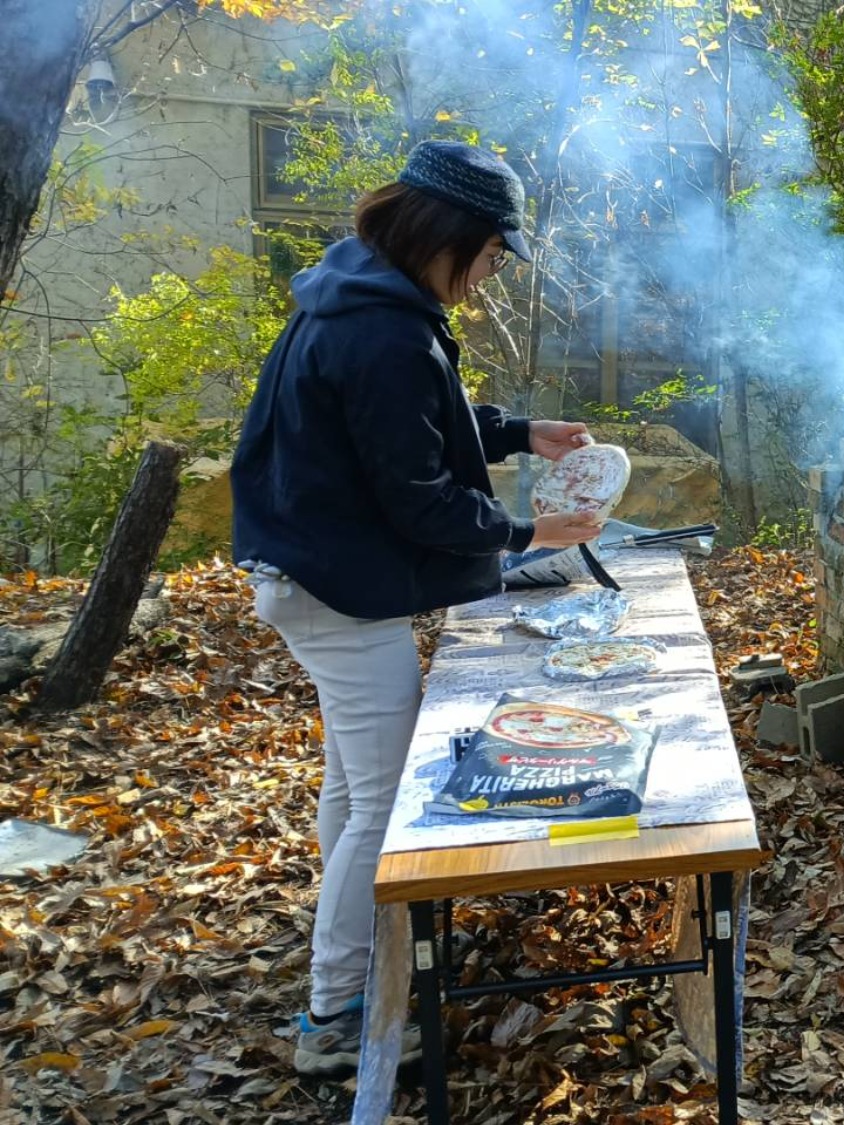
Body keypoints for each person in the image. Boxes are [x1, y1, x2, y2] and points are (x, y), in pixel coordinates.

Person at [230, 141, 606, 1077]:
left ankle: (345, 952)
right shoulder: (383, 329)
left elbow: (418, 421)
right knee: (388, 805)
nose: (485, 278)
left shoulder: (363, 296)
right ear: (448, 236)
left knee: (357, 787)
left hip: (308, 572)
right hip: (337, 591)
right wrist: (532, 535)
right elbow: (423, 498)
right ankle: (334, 1009)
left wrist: (521, 431)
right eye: (486, 256)